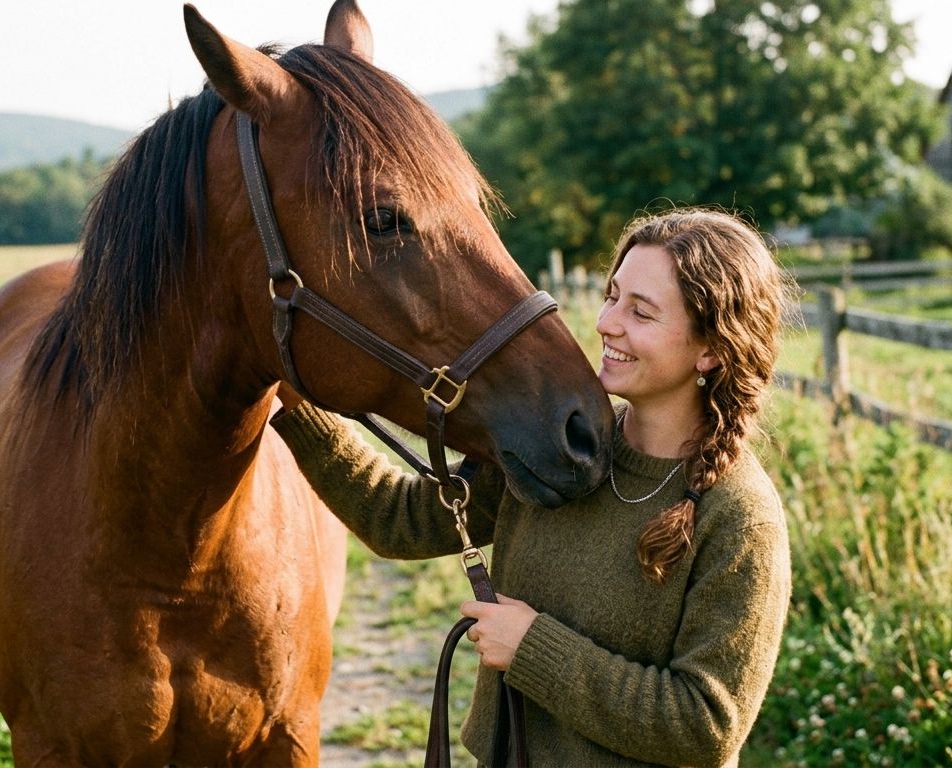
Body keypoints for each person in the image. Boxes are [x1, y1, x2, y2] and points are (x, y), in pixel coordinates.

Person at [272, 208, 793, 767]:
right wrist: (296, 404)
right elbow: (401, 520)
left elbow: (704, 726)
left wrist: (531, 648)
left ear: (710, 349)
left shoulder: (739, 516)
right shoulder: (563, 449)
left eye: (641, 312)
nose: (606, 323)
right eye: (612, 295)